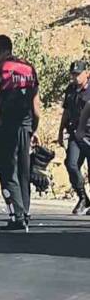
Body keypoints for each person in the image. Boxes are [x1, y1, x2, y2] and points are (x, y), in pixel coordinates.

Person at [0, 35, 42, 232]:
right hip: (25, 125)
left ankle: (17, 216)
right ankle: (25, 212)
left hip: (6, 126)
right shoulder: (28, 68)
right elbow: (36, 105)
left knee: (7, 170)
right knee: (23, 170)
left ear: (1, 50)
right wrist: (34, 128)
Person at [58, 60, 90, 215]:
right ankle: (83, 197)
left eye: (78, 74)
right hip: (75, 134)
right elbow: (66, 112)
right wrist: (60, 132)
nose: (75, 77)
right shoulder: (70, 90)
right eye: (73, 74)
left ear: (87, 73)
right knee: (71, 164)